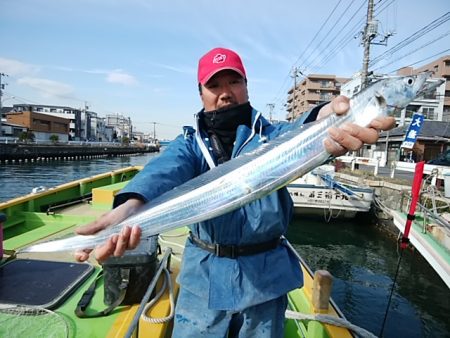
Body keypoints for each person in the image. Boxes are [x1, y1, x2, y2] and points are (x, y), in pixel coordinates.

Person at [75, 47, 395, 337]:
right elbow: (163, 170)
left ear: (246, 86)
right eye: (214, 86)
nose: (225, 93)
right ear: (200, 93)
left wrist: (329, 116)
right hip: (204, 281)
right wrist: (129, 205)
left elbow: (304, 128)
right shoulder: (190, 145)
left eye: (233, 82)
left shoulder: (272, 137)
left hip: (265, 282)